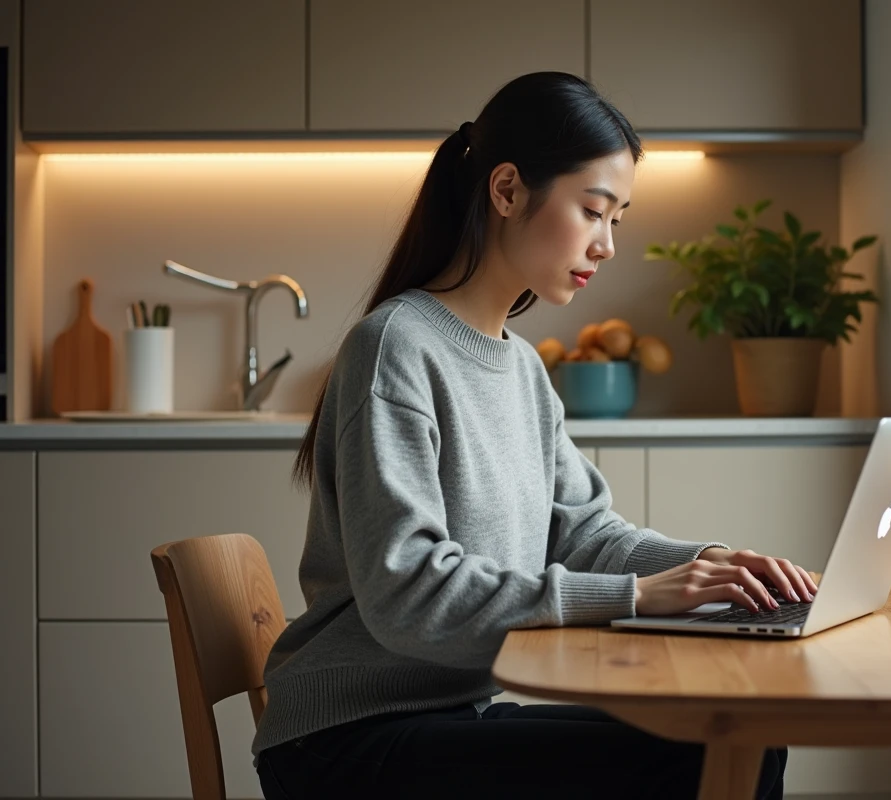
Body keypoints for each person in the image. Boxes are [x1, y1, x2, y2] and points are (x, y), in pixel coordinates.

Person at [251, 71, 819, 800]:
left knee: (739, 738)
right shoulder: (395, 345)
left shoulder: (520, 367)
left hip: (453, 716)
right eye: (593, 211)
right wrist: (641, 596)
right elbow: (409, 593)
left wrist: (714, 567)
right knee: (708, 761)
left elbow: (583, 533)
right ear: (508, 190)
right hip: (347, 741)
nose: (607, 245)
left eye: (618, 220)